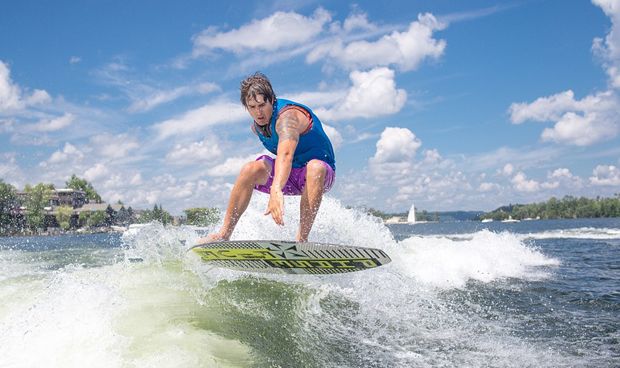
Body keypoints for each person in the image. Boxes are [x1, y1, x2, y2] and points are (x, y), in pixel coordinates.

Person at [198, 72, 336, 243]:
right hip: (291, 175)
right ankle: (223, 235)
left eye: (262, 105)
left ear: (272, 100)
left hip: (319, 176)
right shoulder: (256, 128)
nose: (258, 113)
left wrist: (276, 189)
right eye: (252, 107)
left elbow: (286, 154)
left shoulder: (288, 118)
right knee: (251, 168)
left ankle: (302, 240)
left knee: (315, 166)